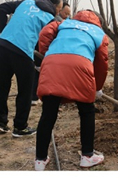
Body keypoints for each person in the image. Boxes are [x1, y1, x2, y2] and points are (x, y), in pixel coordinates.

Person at [35, 10, 108, 170]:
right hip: (80, 66)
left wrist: (47, 54)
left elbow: (45, 33)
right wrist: (98, 88)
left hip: (52, 63)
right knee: (87, 111)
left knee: (48, 113)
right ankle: (87, 156)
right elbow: (102, 63)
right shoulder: (99, 33)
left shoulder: (64, 23)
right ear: (98, 21)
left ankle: (40, 160)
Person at [0, 0, 62, 137]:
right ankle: (20, 127)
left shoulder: (26, 3)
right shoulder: (49, 19)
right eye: (59, 9)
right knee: (25, 90)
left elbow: (2, 8)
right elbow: (43, 42)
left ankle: (0, 122)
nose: (58, 12)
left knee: (3, 86)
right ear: (55, 7)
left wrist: (2, 31)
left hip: (4, 44)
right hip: (22, 51)